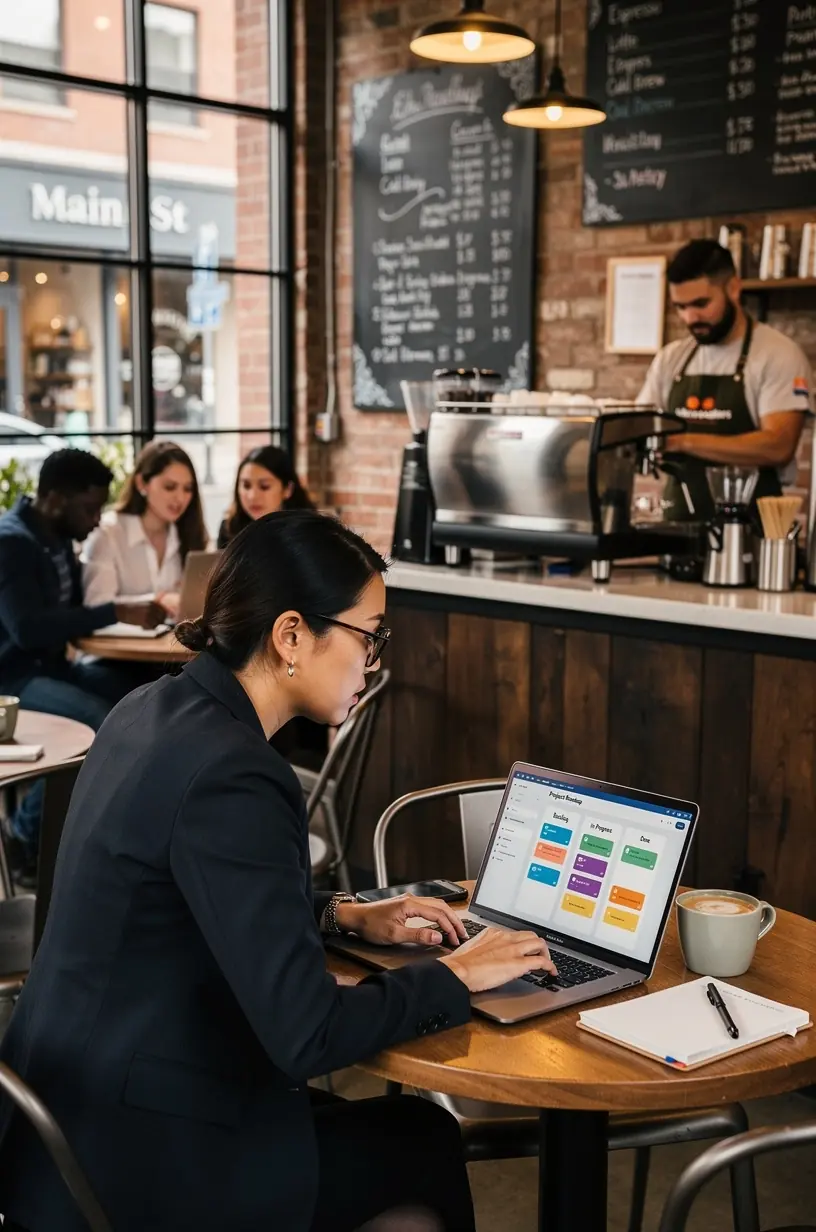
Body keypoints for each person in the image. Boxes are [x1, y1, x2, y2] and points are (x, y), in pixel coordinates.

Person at [0, 509, 555, 1232]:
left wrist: (338, 914)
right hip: (139, 1161)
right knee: (422, 1140)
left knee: (400, 1136)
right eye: (370, 637)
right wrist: (457, 975)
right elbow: (307, 1034)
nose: (376, 661)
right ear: (292, 635)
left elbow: (188, 898)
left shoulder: (148, 710)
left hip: (64, 1120)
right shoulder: (238, 772)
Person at [0, 449, 164, 884]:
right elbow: (28, 630)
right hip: (14, 679)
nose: (96, 520)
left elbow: (68, 615)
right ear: (55, 498)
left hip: (53, 668)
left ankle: (118, 824)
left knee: (139, 698)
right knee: (97, 718)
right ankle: (24, 836)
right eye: (90, 508)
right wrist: (118, 610)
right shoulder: (12, 541)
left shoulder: (55, 539)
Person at [637, 238, 811, 518]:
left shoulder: (777, 354)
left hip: (751, 532)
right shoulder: (672, 359)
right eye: (680, 307)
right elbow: (640, 426)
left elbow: (778, 446)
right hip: (678, 529)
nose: (690, 317)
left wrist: (682, 442)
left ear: (733, 288)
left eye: (701, 303)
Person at [83, 440, 208, 622]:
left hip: (171, 648)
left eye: (187, 489)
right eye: (170, 487)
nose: (180, 498)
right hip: (115, 649)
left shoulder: (190, 534)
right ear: (142, 483)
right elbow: (97, 606)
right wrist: (158, 601)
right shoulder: (108, 533)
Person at [218, 444, 313, 548]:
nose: (252, 496)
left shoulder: (308, 531)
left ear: (287, 489)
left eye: (264, 486)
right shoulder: (229, 529)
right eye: (246, 485)